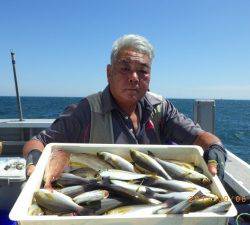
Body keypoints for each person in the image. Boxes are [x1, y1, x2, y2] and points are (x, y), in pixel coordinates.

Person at [23, 34, 227, 187]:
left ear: (150, 76)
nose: (134, 77)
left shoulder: (161, 108)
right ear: (109, 73)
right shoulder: (86, 111)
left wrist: (216, 150)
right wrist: (33, 162)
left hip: (152, 199)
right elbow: (38, 142)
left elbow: (201, 137)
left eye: (143, 71)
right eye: (125, 68)